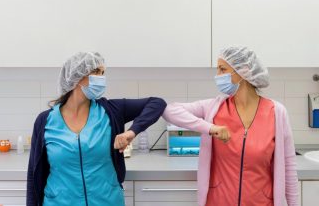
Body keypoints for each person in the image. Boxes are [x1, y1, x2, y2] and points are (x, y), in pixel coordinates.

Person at [163, 46, 299, 206]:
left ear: (243, 71)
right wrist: (210, 128)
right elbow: (169, 110)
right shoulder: (213, 108)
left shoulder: (277, 112)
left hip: (261, 202)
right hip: (218, 201)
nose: (217, 76)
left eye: (222, 69)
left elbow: (288, 167)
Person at [26, 52, 167, 206]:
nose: (101, 78)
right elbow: (34, 175)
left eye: (103, 73)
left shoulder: (111, 111)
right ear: (77, 77)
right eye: (96, 72)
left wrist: (131, 132)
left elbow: (157, 103)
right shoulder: (45, 121)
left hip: (107, 201)